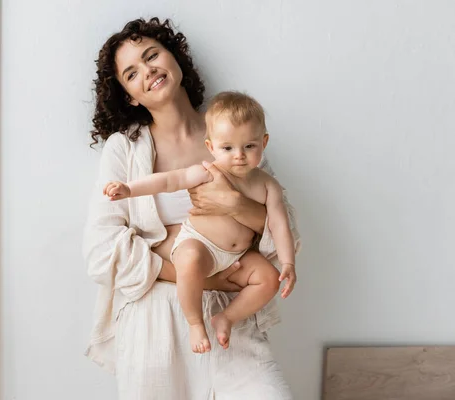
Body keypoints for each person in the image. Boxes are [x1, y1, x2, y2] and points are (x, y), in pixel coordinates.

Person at [83, 17, 301, 400]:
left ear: (176, 58)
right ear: (129, 95)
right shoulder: (125, 149)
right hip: (156, 321)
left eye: (153, 55)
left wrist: (232, 203)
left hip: (232, 317)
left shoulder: (231, 133)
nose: (148, 71)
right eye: (132, 73)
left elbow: (284, 231)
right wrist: (202, 274)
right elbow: (103, 252)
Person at [102, 91, 297, 354]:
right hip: (200, 245)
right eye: (228, 148)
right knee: (190, 259)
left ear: (264, 142)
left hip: (236, 256)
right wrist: (129, 188)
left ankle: (226, 317)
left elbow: (279, 225)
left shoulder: (268, 185)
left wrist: (287, 263)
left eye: (249, 146)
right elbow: (167, 181)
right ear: (211, 147)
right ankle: (195, 323)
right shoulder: (206, 172)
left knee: (269, 279)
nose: (239, 155)